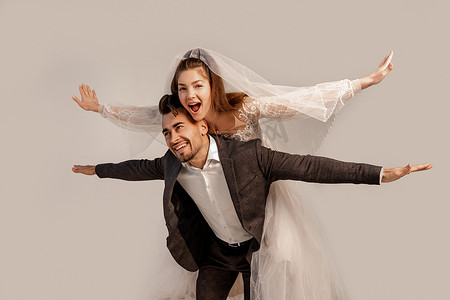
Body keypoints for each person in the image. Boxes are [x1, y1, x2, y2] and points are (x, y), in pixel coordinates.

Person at [72, 48, 395, 299]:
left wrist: (361, 83)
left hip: (261, 195)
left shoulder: (243, 109)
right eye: (182, 89)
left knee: (277, 273)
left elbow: (296, 103)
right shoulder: (184, 119)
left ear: (212, 85)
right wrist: (101, 109)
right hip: (215, 205)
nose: (190, 95)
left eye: (198, 85)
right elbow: (145, 117)